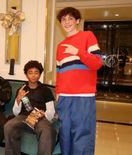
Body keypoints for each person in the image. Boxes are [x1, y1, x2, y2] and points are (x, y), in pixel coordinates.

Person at [56, 7, 103, 155]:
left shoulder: (88, 36)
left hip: (83, 96)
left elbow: (97, 62)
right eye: (64, 19)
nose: (67, 22)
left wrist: (78, 52)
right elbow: (59, 73)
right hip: (64, 97)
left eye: (70, 18)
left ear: (77, 21)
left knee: (82, 136)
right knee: (65, 135)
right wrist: (58, 93)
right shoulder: (60, 47)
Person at [4, 60, 57, 155]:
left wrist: (43, 114)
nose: (33, 75)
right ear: (26, 74)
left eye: (36, 72)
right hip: (23, 117)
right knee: (8, 126)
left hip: (40, 118)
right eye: (30, 72)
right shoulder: (22, 89)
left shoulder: (46, 90)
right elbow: (16, 113)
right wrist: (18, 99)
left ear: (40, 74)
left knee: (47, 130)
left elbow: (51, 112)